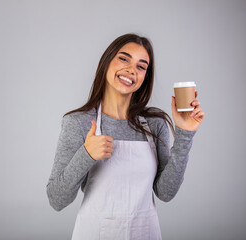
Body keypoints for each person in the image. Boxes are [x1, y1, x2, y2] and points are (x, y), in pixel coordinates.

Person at [46, 33, 204, 240]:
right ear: (107, 61)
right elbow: (57, 199)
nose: (131, 69)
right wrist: (87, 154)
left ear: (145, 76)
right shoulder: (78, 122)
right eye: (124, 58)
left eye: (141, 66)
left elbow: (166, 193)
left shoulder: (155, 124)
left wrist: (185, 133)